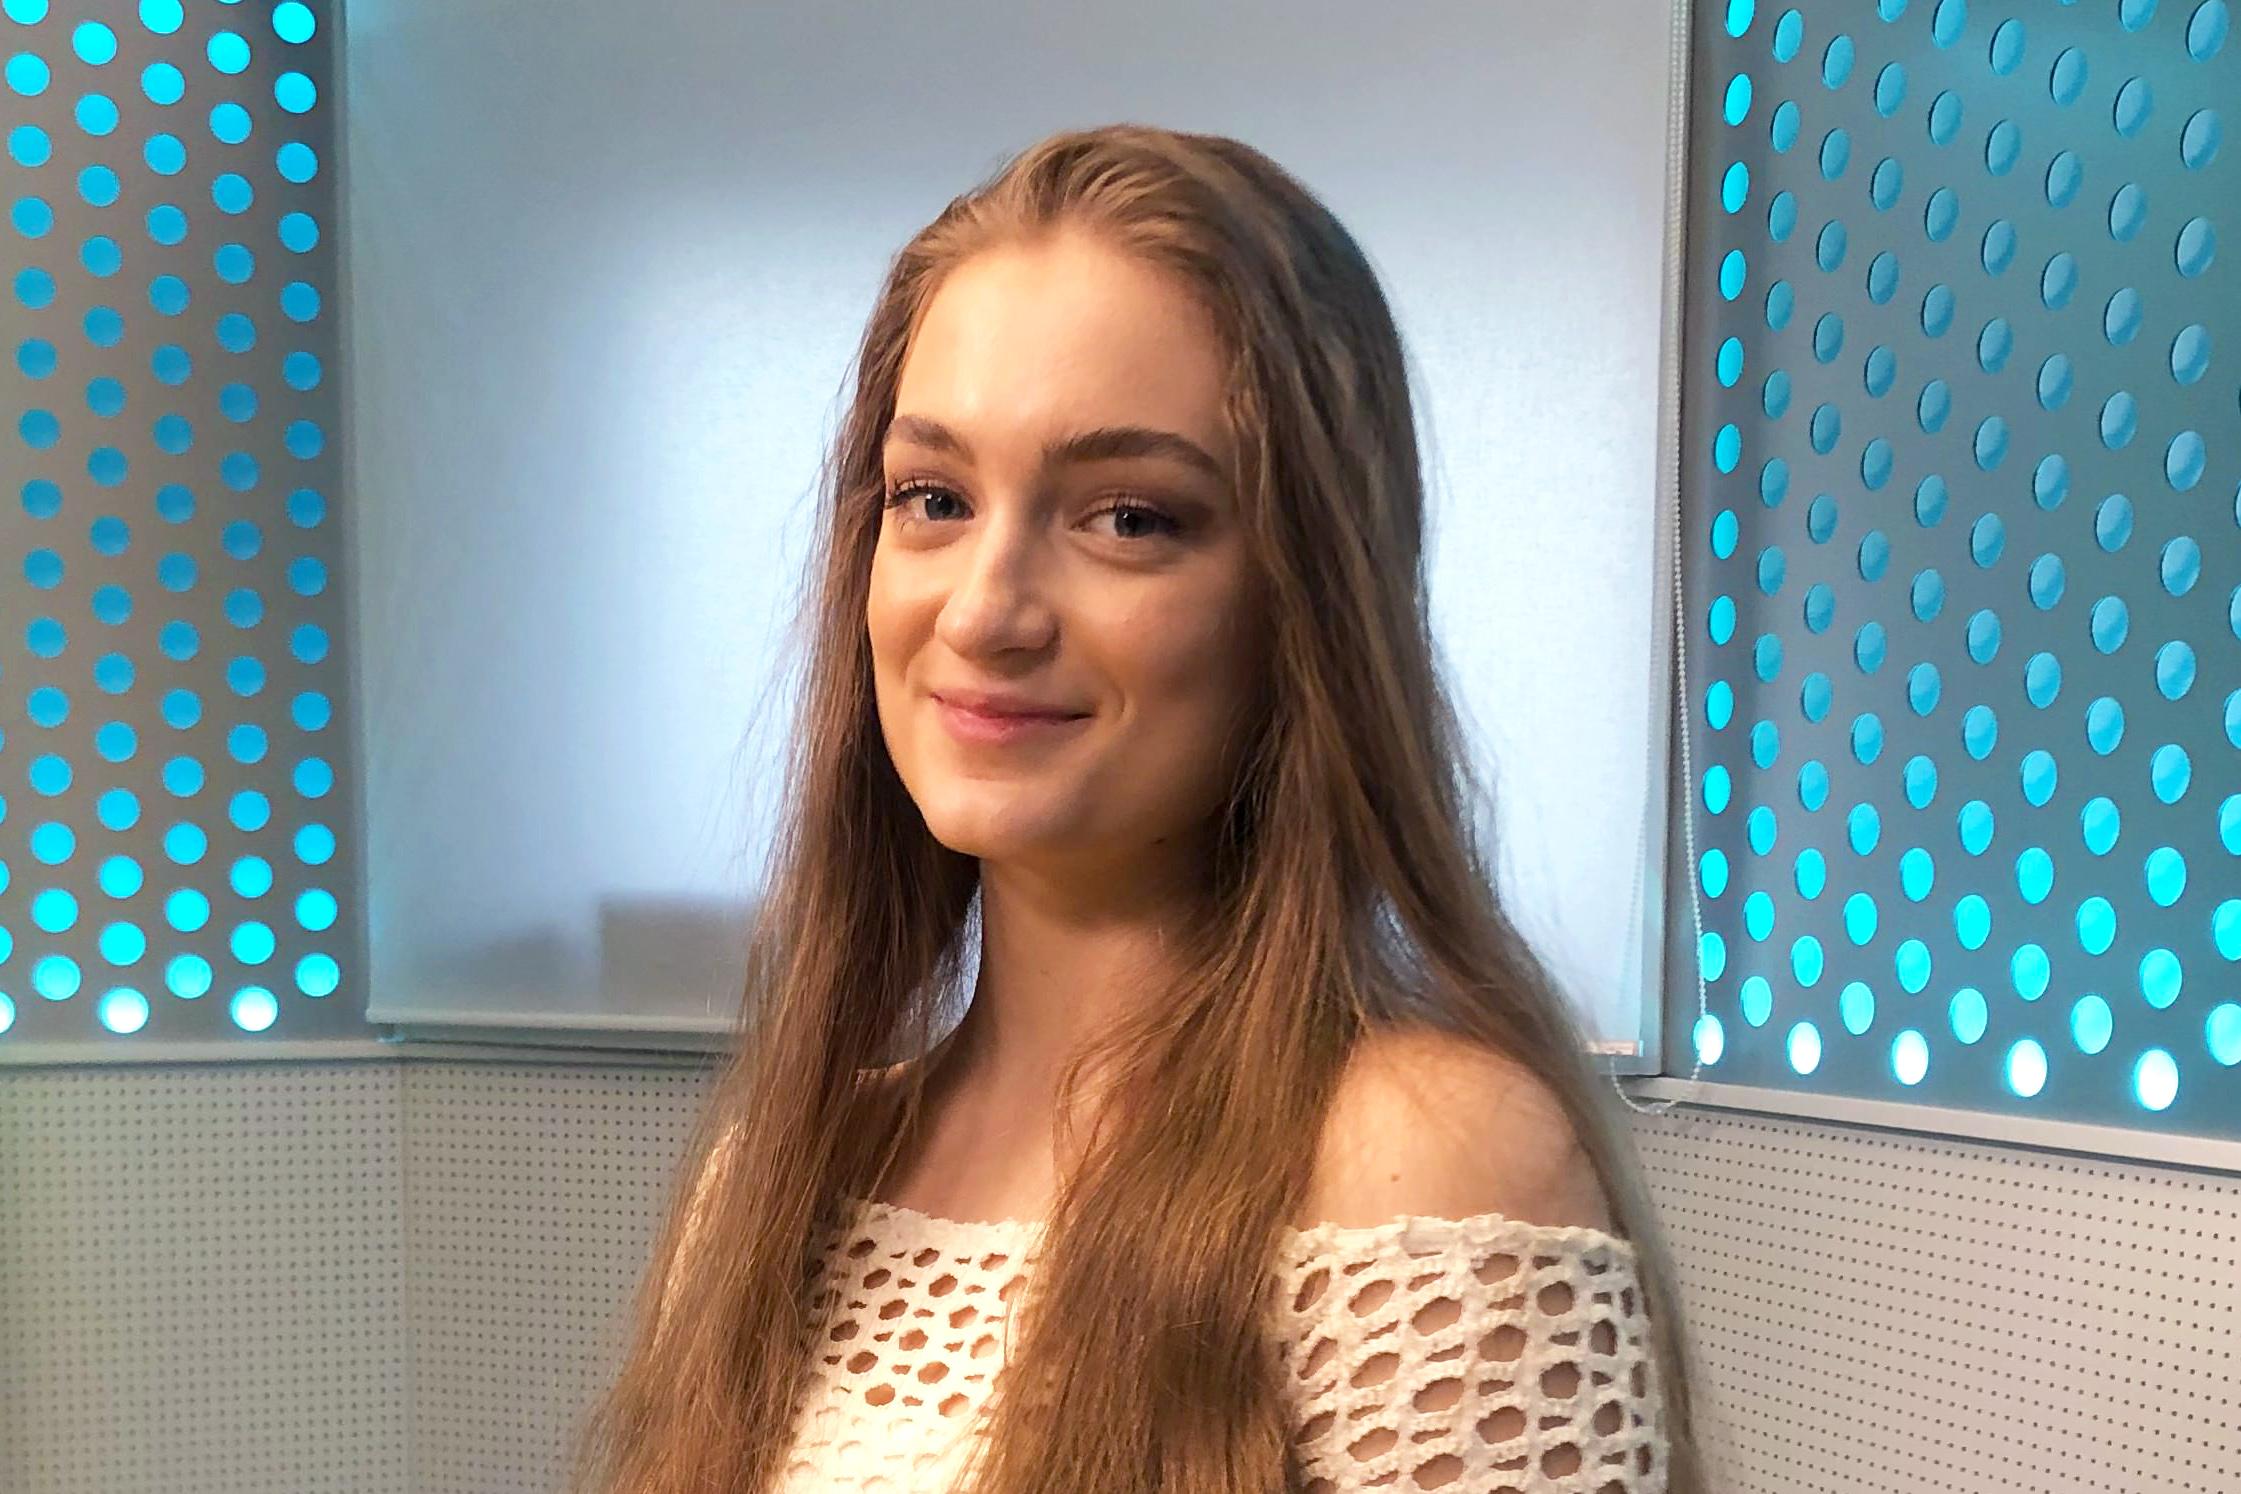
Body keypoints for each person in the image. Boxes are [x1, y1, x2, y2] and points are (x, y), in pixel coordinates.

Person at [572, 122, 1705, 1494]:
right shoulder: (779, 1177)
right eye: (933, 498)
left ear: (1307, 595)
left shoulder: (1422, 1167)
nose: (985, 611)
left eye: (1127, 518)